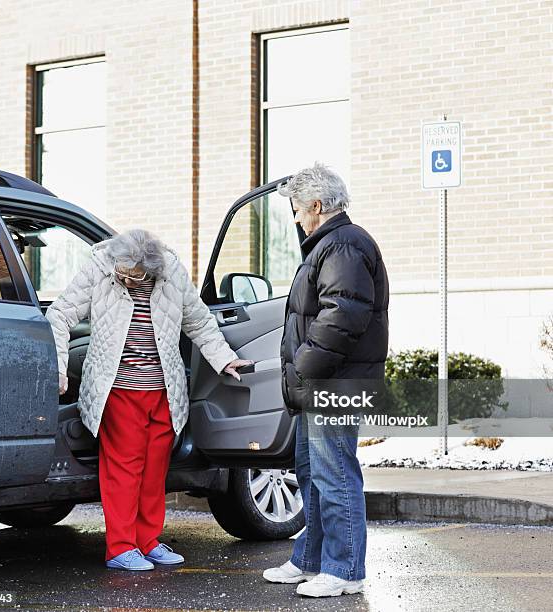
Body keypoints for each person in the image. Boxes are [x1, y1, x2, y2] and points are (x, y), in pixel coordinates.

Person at [46, 229, 251, 571]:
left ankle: (147, 541)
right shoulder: (100, 267)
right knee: (124, 469)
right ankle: (121, 547)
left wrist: (225, 359)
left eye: (133, 275)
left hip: (163, 389)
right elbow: (60, 314)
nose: (125, 279)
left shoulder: (171, 273)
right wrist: (58, 366)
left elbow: (199, 321)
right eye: (121, 272)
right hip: (119, 387)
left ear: (152, 270)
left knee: (155, 469)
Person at [263, 163, 389, 597]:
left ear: (317, 205)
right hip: (320, 385)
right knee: (312, 471)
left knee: (334, 474)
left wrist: (305, 365)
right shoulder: (330, 244)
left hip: (334, 385)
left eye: (298, 210)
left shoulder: (344, 245)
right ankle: (310, 559)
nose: (296, 218)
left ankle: (346, 569)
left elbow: (342, 315)